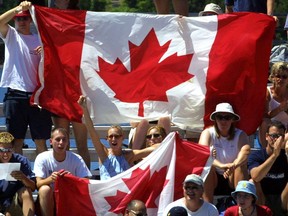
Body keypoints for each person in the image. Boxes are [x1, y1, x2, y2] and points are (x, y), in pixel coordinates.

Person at [0, 1, 52, 155]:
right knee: (17, 141)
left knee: (41, 141)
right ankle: (18, 178)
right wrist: (18, 9)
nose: (22, 22)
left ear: (30, 20)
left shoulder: (41, 39)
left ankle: (41, 177)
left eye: (25, 18)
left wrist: (46, 51)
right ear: (14, 21)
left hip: (38, 95)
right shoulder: (11, 35)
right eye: (18, 19)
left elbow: (54, 64)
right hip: (15, 94)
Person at [48, 0, 90, 169]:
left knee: (82, 143)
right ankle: (63, 183)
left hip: (78, 89)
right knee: (62, 143)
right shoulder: (48, 18)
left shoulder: (80, 18)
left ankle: (84, 182)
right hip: (59, 90)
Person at [78, 95, 160, 180]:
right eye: (111, 136)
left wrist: (170, 140)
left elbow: (155, 148)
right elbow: (92, 132)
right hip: (107, 192)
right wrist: (84, 109)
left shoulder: (129, 156)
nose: (114, 139)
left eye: (117, 136)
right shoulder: (104, 154)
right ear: (107, 139)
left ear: (122, 138)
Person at [198, 102, 250, 203]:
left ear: (232, 120)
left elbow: (246, 151)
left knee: (241, 166)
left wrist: (233, 165)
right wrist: (221, 166)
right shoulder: (207, 133)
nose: (223, 121)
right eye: (220, 117)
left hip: (233, 174)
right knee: (208, 166)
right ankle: (208, 207)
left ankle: (242, 207)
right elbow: (202, 153)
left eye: (227, 117)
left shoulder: (241, 134)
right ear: (215, 119)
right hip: (214, 176)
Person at [33, 127, 91, 216]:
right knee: (44, 189)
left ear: (68, 142)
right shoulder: (42, 157)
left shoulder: (76, 158)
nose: (61, 143)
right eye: (58, 139)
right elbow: (38, 184)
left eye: (64, 140)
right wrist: (51, 179)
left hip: (69, 197)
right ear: (51, 141)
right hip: (50, 199)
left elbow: (86, 183)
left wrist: (72, 179)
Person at [248, 120, 288, 216]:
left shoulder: (285, 155)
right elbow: (255, 176)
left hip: (282, 199)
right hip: (263, 198)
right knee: (253, 181)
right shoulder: (257, 155)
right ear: (266, 136)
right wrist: (274, 155)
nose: (276, 140)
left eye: (280, 136)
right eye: (273, 136)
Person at [0, 132, 36, 216]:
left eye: (9, 150)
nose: (5, 154)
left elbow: (33, 187)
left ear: (13, 149)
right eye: (1, 150)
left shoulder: (22, 161)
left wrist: (23, 178)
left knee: (26, 191)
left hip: (14, 201)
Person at [258, 62, 288, 147]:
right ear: (273, 77)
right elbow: (265, 115)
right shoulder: (267, 92)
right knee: (264, 121)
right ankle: (265, 151)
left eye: (284, 77)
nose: (280, 79)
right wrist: (279, 109)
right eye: (278, 76)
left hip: (285, 130)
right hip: (270, 129)